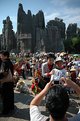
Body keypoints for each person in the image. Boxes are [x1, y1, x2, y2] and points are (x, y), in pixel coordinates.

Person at [0, 50, 14, 115]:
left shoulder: (4, 62)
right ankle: (11, 108)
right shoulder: (10, 62)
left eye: (1, 55)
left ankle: (5, 111)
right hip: (11, 81)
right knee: (10, 95)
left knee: (5, 97)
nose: (0, 56)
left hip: (5, 82)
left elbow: (4, 73)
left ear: (5, 56)